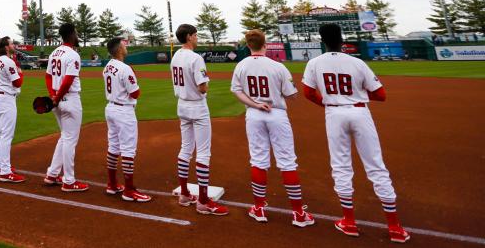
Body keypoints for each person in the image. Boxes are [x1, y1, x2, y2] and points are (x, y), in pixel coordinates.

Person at [302, 24, 410, 244]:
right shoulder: (357, 62)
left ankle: (349, 222)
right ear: (342, 40)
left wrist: (329, 102)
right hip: (360, 112)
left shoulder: (314, 63)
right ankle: (395, 227)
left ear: (322, 40)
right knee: (375, 165)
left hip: (334, 114)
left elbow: (308, 93)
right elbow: (381, 95)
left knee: (341, 164)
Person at [231, 29, 314, 227]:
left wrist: (255, 104)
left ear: (248, 45)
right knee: (287, 162)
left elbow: (236, 91)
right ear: (264, 44)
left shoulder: (241, 65)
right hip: (276, 114)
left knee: (258, 160)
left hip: (254, 115)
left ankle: (258, 208)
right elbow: (292, 95)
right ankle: (298, 213)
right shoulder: (278, 66)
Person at [170, 23, 227, 215]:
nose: (197, 38)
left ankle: (185, 193)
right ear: (188, 37)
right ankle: (203, 201)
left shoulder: (175, 55)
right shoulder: (195, 58)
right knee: (203, 153)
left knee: (186, 148)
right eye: (195, 35)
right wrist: (205, 88)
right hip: (197, 106)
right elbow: (203, 87)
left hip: (182, 105)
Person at [103, 37, 149, 202]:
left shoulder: (107, 66)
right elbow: (135, 93)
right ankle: (129, 190)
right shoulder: (125, 68)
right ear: (119, 49)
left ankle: (112, 184)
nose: (125, 46)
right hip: (124, 111)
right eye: (123, 44)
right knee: (128, 150)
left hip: (111, 108)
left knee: (114, 146)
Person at [44, 23, 87, 192]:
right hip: (69, 100)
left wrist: (53, 96)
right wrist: (58, 96)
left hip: (57, 99)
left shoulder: (55, 52)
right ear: (71, 34)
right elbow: (68, 80)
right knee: (70, 140)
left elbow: (48, 76)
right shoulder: (72, 54)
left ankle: (52, 174)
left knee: (64, 137)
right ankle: (69, 181)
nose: (77, 35)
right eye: (76, 32)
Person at [0, 36, 25, 184]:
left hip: (0, 96)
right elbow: (17, 82)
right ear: (6, 47)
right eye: (11, 43)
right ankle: (5, 171)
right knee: (6, 135)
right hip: (7, 99)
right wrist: (20, 72)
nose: (13, 45)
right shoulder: (7, 60)